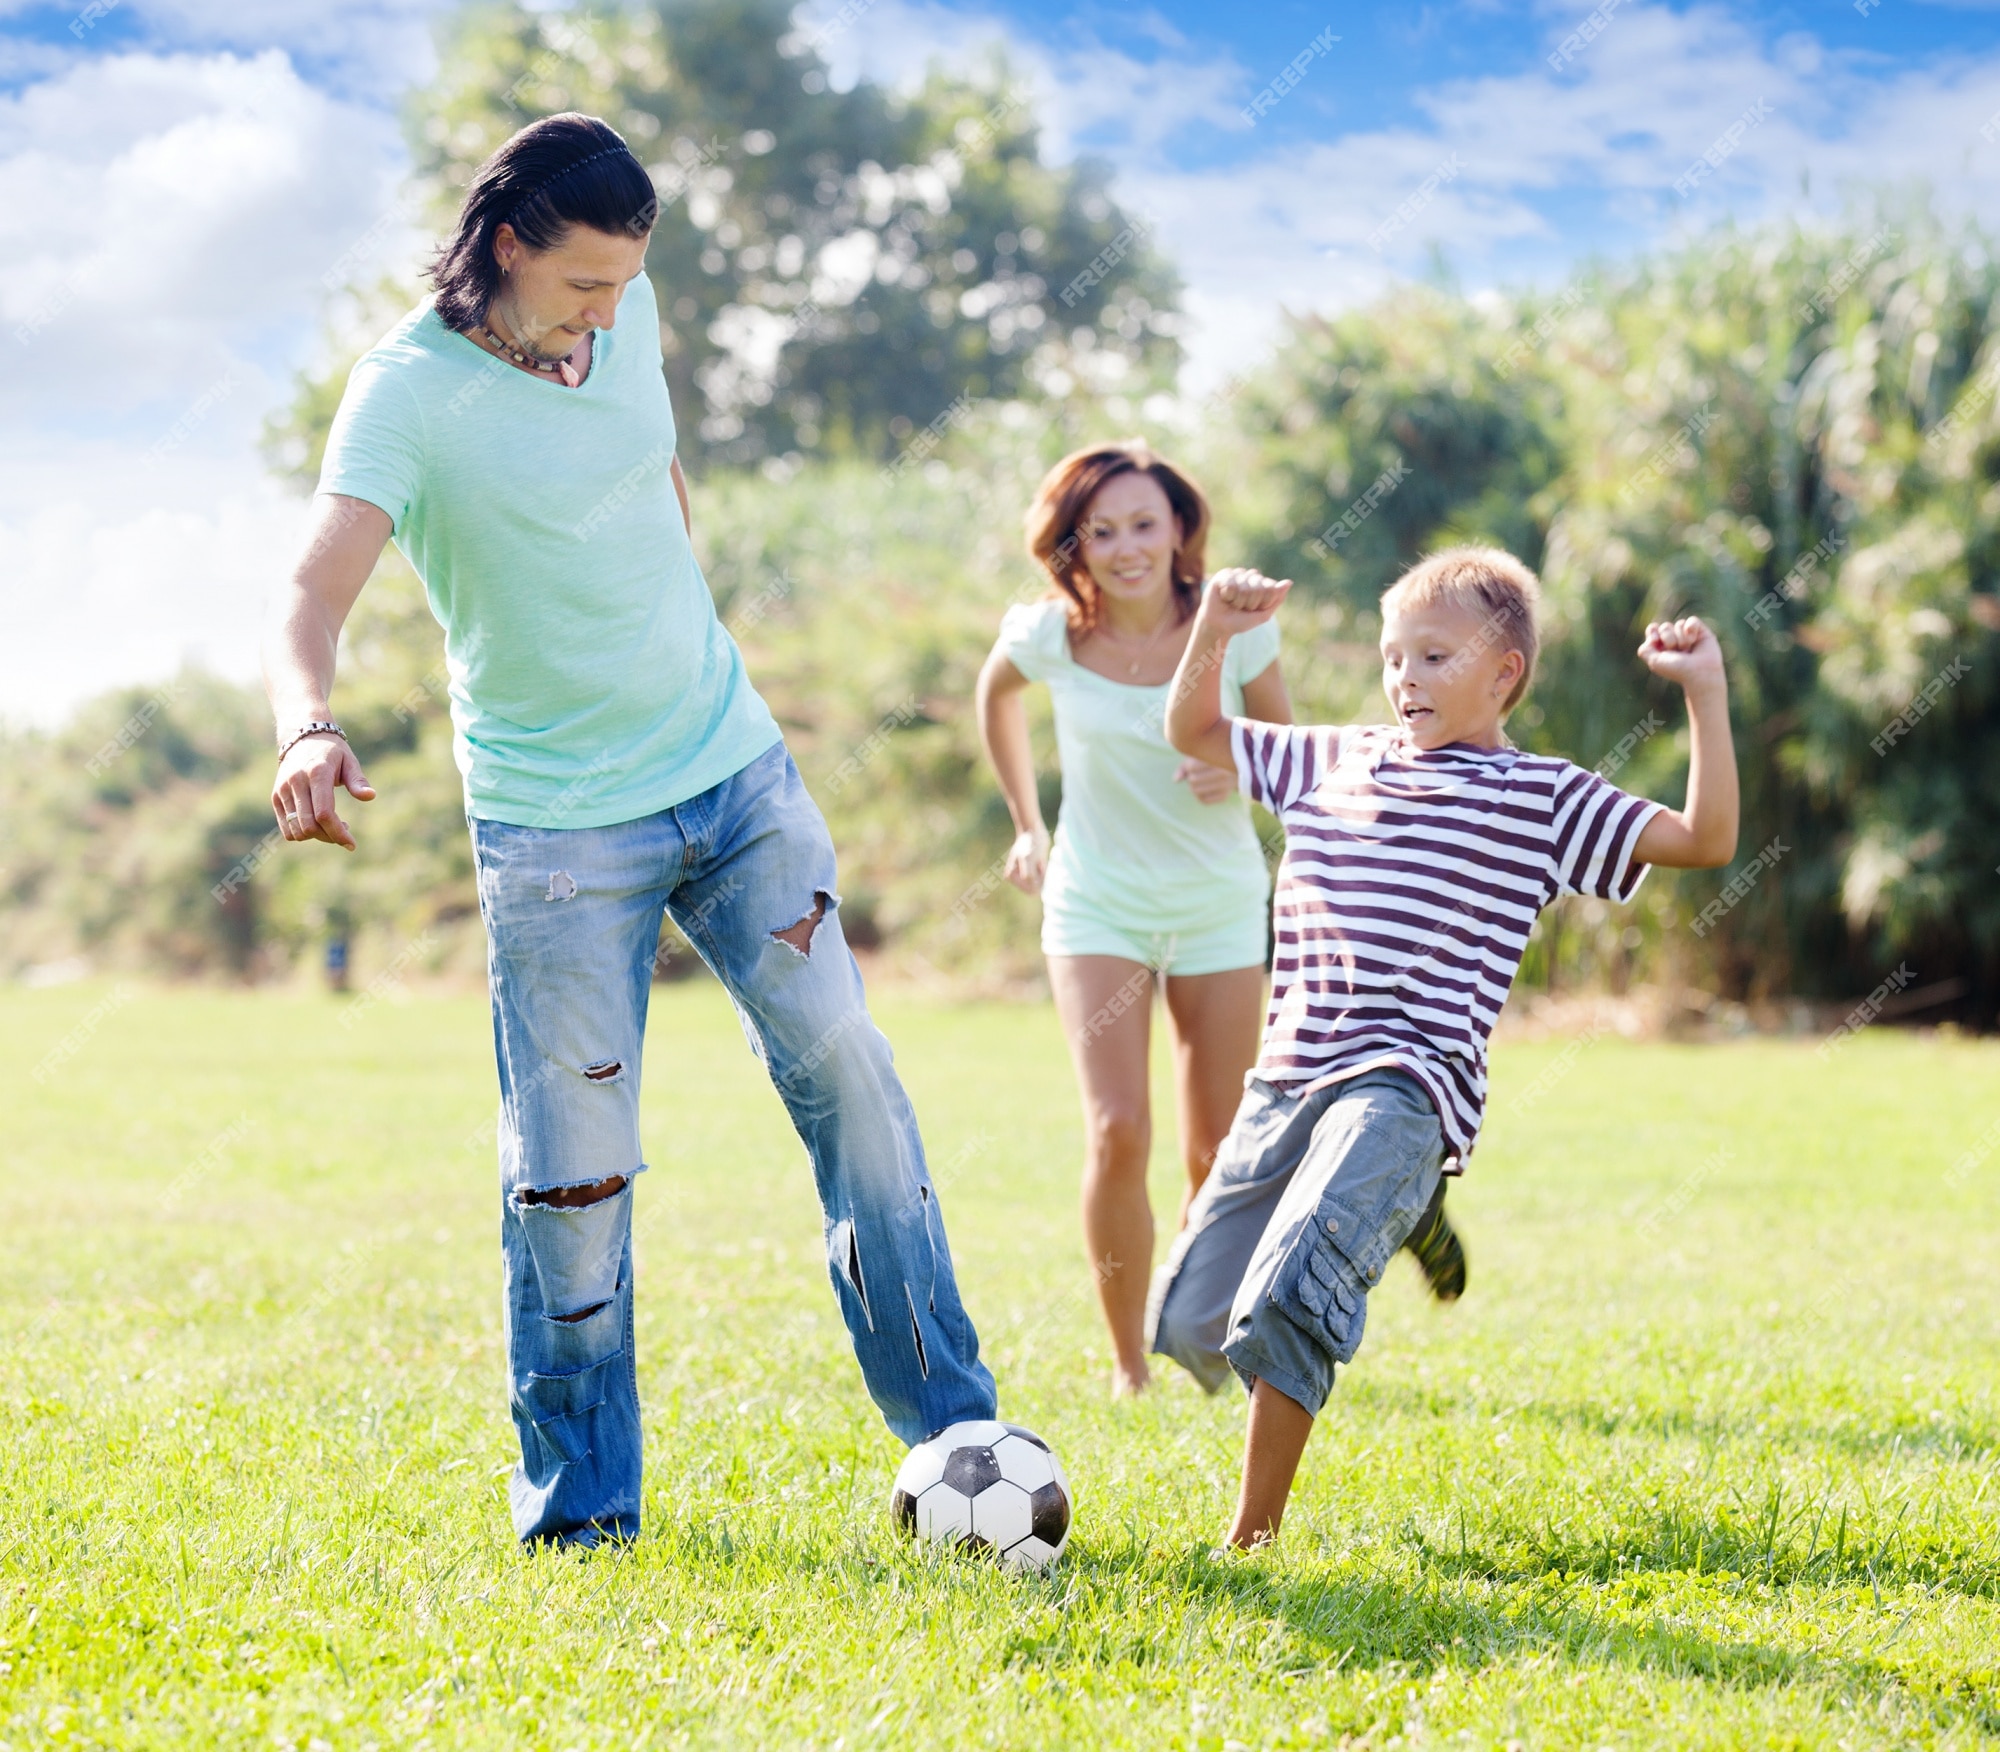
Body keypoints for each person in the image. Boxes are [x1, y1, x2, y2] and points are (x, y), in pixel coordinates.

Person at [262, 113, 997, 1548]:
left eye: (626, 283)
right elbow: (310, 595)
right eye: (585, 283)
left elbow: (650, 473)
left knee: (848, 1069)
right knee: (568, 1174)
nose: (610, 308)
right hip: (554, 829)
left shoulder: (630, 306)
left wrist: (682, 609)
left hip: (732, 770)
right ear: (510, 244)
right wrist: (308, 726)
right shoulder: (405, 393)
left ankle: (958, 1430)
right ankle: (585, 1515)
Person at [1153, 547, 1739, 1548]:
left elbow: (1703, 839)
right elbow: (1193, 729)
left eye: (1431, 656)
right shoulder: (1330, 759)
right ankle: (1411, 1209)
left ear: (1503, 671)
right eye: (1392, 659)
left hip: (1405, 1083)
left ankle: (1248, 1537)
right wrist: (1213, 627)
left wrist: (1704, 694)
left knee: (1293, 1287)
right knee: (1189, 1322)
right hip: (1287, 1077)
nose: (1402, 679)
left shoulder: (1540, 797)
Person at [976, 443, 1466, 1398]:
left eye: (1144, 525)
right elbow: (993, 701)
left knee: (1220, 1149)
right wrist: (1027, 824)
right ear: (1073, 543)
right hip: (1096, 902)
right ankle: (1128, 1366)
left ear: (1179, 531)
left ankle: (1206, 1345)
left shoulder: (1233, 633)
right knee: (1118, 1131)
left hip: (1217, 905)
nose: (1125, 548)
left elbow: (1292, 756)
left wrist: (1238, 765)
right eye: (1102, 531)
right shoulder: (1047, 637)